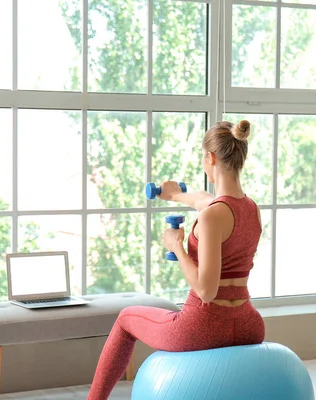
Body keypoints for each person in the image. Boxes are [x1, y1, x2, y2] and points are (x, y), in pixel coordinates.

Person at [87, 120, 265, 400]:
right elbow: (206, 200)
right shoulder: (252, 209)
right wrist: (176, 195)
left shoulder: (211, 217)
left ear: (211, 158)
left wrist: (177, 247)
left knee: (125, 319)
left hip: (203, 326)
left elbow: (207, 290)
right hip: (247, 324)